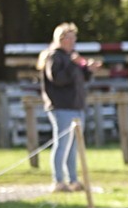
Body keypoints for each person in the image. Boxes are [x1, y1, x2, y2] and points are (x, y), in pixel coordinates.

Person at [38, 22, 100, 192]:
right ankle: (58, 180)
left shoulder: (72, 57)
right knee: (62, 143)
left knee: (74, 146)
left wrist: (88, 69)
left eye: (74, 38)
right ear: (60, 39)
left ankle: (73, 180)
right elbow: (58, 79)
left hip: (76, 105)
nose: (73, 41)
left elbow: (81, 78)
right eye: (69, 38)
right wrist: (75, 64)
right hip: (61, 106)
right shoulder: (54, 57)